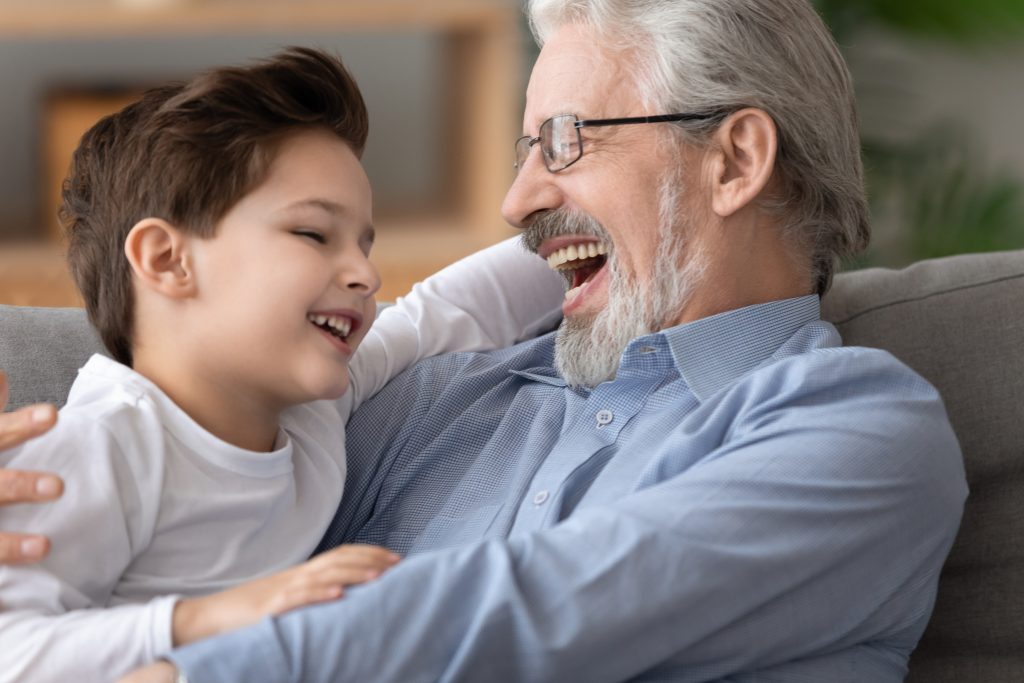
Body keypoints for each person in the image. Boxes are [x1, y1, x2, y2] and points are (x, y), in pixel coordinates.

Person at [114, 0, 968, 681]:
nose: (517, 200)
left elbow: (545, 611)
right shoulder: (433, 399)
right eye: (528, 149)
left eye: (566, 139)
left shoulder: (861, 428)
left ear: (736, 161)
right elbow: (201, 529)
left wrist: (196, 672)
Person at [0, 47, 562, 681]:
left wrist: (587, 234)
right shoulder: (99, 446)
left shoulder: (311, 408)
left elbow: (445, 313)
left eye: (363, 243)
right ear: (166, 260)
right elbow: (12, 652)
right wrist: (207, 618)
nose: (366, 274)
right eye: (313, 234)